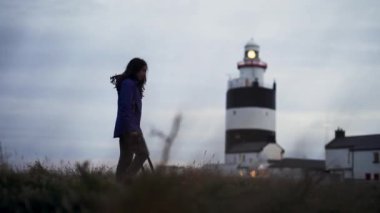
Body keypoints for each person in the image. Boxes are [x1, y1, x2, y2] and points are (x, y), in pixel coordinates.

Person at [110, 58, 149, 182]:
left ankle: (119, 188)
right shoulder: (128, 84)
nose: (144, 73)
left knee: (126, 159)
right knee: (143, 154)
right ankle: (125, 181)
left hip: (130, 127)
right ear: (135, 70)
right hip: (129, 129)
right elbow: (125, 108)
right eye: (142, 70)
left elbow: (132, 111)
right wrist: (132, 130)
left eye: (145, 71)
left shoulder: (133, 86)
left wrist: (136, 128)